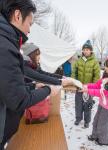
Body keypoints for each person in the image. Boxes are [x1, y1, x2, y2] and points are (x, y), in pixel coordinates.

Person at [0, 1, 70, 149]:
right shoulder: (6, 46)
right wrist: (49, 89)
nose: (29, 30)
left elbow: (8, 85)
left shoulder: (7, 41)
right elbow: (19, 100)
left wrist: (36, 85)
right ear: (18, 15)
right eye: (30, 23)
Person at [71, 40, 100, 128]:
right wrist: (74, 83)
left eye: (88, 49)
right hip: (79, 87)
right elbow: (74, 72)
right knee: (78, 104)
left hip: (89, 88)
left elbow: (97, 76)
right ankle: (78, 118)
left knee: (87, 105)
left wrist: (92, 88)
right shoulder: (79, 61)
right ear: (82, 50)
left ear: (91, 51)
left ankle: (87, 121)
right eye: (84, 49)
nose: (86, 51)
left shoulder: (94, 62)